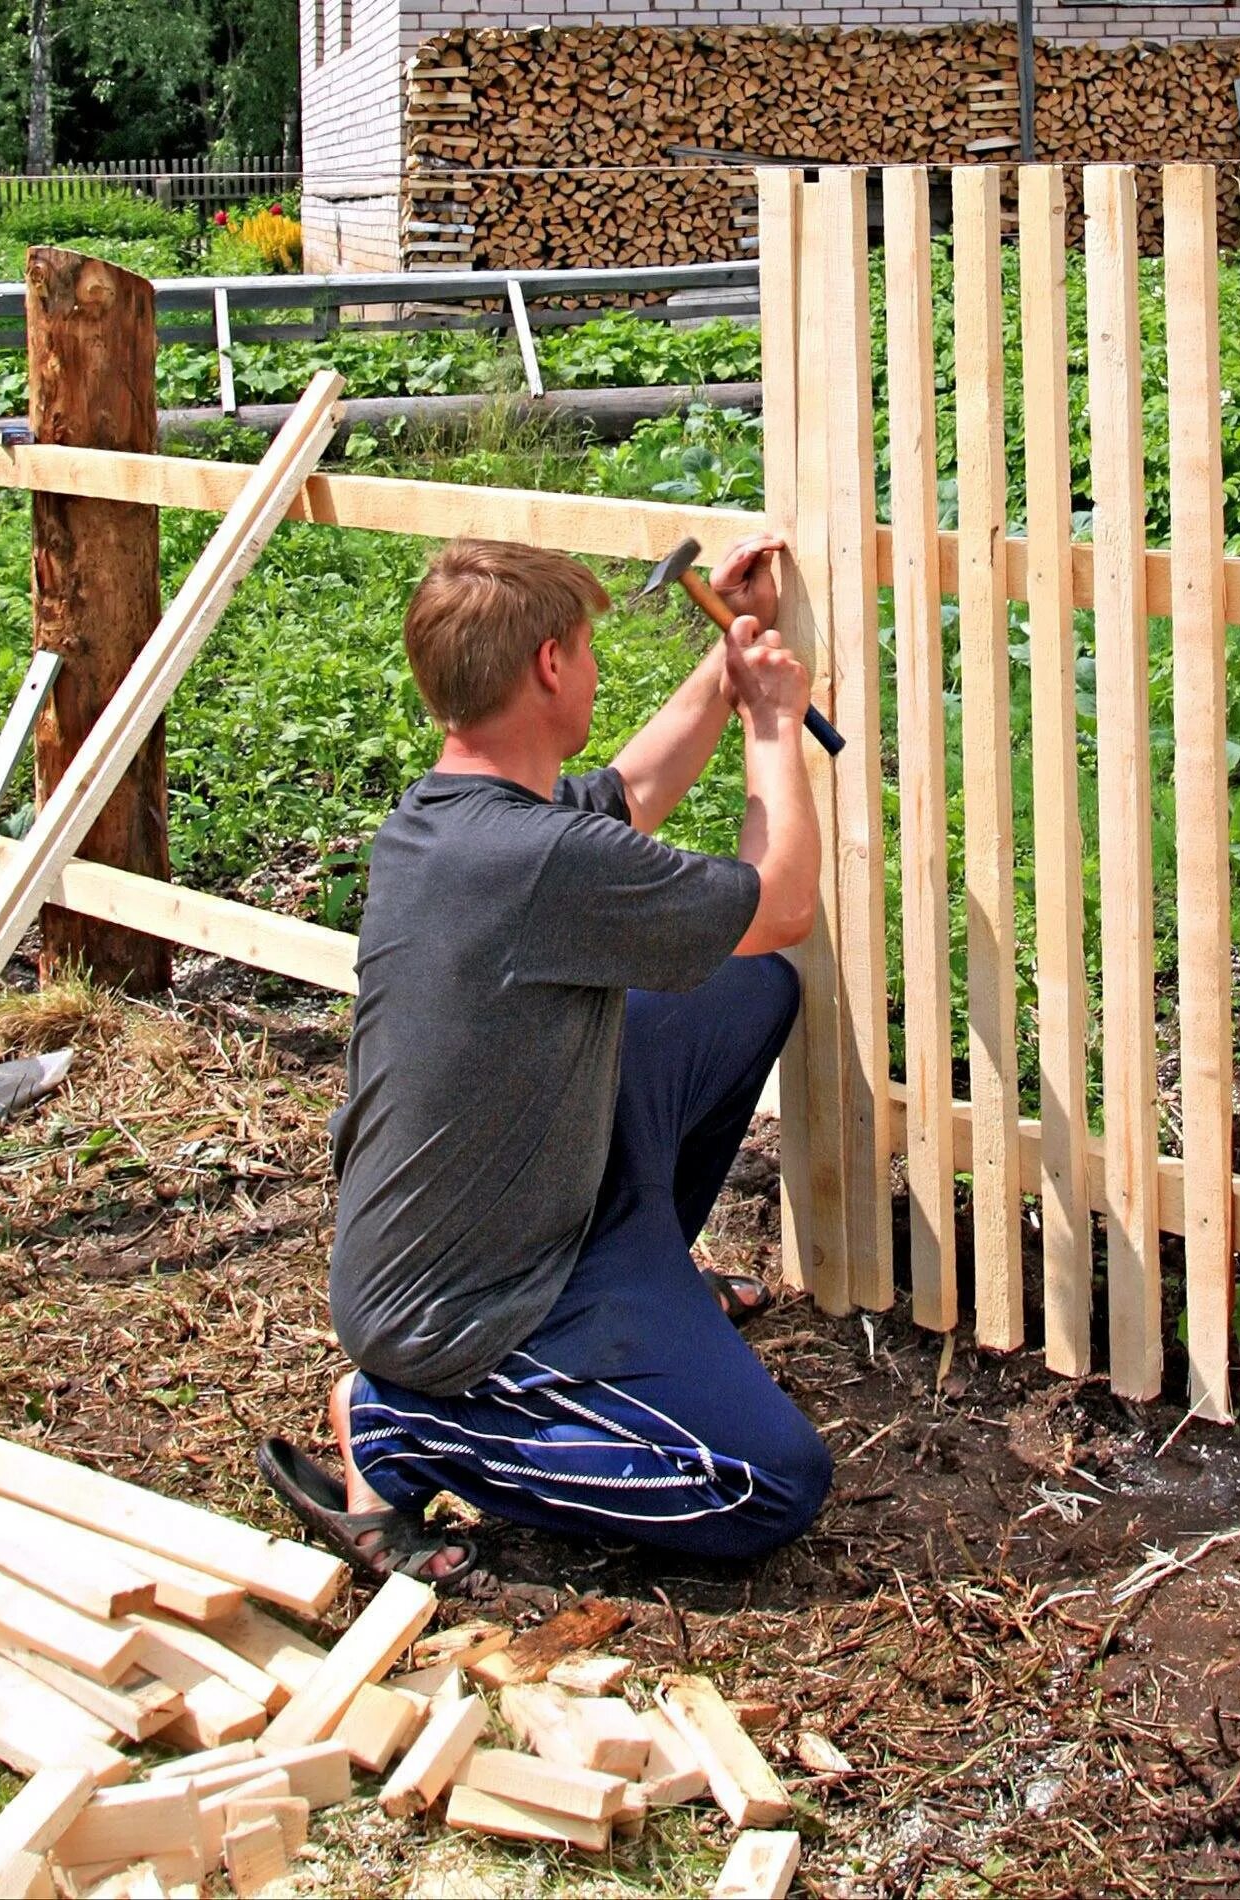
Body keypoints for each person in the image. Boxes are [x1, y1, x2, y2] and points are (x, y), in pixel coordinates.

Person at [259, 534, 831, 1583]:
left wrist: (723, 664)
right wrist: (773, 724)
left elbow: (632, 791)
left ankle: (649, 1277)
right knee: (768, 1484)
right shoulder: (537, 863)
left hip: (527, 1212)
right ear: (551, 669)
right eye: (587, 646)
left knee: (742, 988)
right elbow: (781, 898)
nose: (596, 665)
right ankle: (400, 1429)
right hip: (465, 1307)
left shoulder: (452, 822)